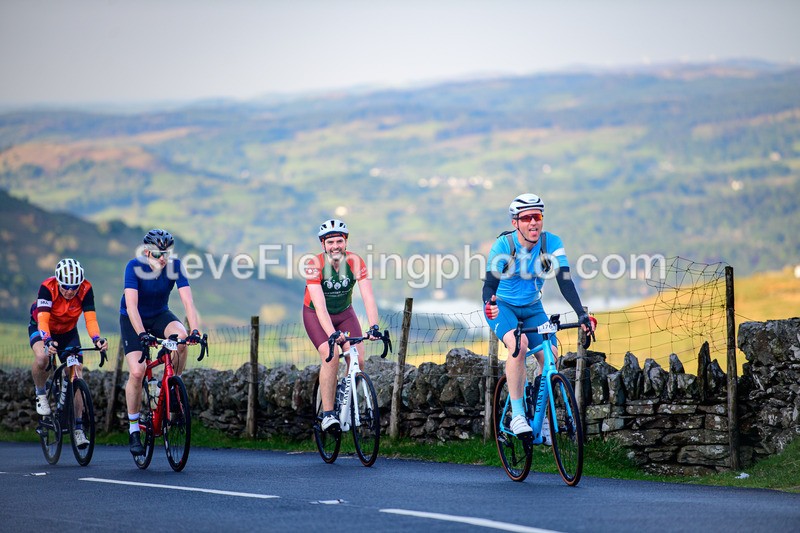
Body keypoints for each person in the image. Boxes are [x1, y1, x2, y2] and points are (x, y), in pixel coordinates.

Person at [482, 193, 594, 444]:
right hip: (503, 307)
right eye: (527, 218)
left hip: (533, 307)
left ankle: (539, 415)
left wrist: (581, 314)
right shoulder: (503, 246)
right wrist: (490, 304)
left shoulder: (551, 243)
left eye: (538, 216)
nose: (533, 222)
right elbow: (489, 286)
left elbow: (565, 281)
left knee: (550, 355)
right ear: (515, 223)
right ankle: (517, 415)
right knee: (518, 346)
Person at [120, 229, 202, 456]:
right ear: (147, 252)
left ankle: (173, 386)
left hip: (159, 315)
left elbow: (188, 302)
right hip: (133, 319)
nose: (163, 258)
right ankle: (134, 428)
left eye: (166, 253)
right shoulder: (133, 267)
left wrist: (195, 330)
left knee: (182, 339)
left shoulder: (175, 266)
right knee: (137, 372)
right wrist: (141, 334)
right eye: (157, 254)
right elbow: (131, 306)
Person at [303, 219, 381, 432]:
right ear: (323, 245)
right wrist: (332, 334)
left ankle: (345, 401)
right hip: (316, 315)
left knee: (359, 359)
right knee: (331, 356)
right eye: (330, 242)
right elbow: (320, 307)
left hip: (345, 314)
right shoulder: (314, 265)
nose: (335, 246)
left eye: (339, 241)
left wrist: (374, 326)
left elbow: (368, 296)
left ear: (345, 242)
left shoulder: (355, 261)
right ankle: (328, 414)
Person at [29, 258, 108, 448]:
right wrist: (47, 340)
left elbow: (90, 319)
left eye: (74, 287)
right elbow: (43, 320)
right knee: (42, 358)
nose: (70, 291)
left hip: (68, 332)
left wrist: (97, 339)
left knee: (76, 372)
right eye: (65, 286)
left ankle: (78, 428)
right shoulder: (47, 288)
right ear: (58, 282)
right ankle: (41, 394)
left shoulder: (86, 289)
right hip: (42, 329)